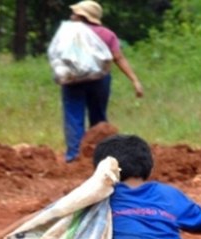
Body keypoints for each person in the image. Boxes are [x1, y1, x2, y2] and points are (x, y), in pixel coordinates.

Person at [61, 1, 144, 163]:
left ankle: (74, 156)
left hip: (73, 80)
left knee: (73, 116)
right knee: (98, 118)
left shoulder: (69, 33)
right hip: (99, 81)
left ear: (82, 16)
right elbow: (118, 58)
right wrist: (135, 80)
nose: (72, 16)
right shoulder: (107, 34)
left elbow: (59, 55)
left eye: (75, 13)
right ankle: (100, 156)